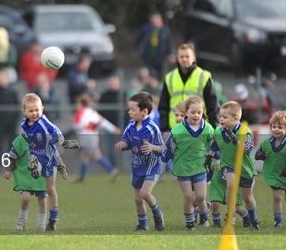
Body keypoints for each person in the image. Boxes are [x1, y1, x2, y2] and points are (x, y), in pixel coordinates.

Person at [21, 93, 80, 231]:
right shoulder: (24, 125)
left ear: (42, 108)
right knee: (33, 159)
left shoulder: (43, 121)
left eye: (37, 110)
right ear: (24, 112)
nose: (34, 113)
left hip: (49, 158)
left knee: (50, 188)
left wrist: (62, 142)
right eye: (30, 110)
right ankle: (34, 167)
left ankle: (53, 218)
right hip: (36, 154)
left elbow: (56, 130)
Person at [114, 92, 165, 231]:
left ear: (144, 111)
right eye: (129, 109)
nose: (129, 112)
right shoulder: (130, 125)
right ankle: (143, 225)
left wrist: (152, 147)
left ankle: (158, 214)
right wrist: (123, 144)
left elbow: (163, 148)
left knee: (145, 193)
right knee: (138, 200)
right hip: (137, 166)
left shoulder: (152, 128)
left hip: (152, 166)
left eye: (132, 109)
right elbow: (128, 142)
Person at [163, 96, 214, 230]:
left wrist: (216, 159)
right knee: (188, 196)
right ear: (186, 112)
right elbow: (169, 148)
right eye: (193, 112)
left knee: (201, 197)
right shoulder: (177, 130)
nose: (196, 115)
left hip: (200, 168)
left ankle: (201, 214)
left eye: (199, 112)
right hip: (182, 169)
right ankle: (190, 224)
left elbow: (213, 146)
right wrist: (163, 160)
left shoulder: (208, 128)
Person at [207, 101, 260, 229]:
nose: (221, 119)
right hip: (228, 166)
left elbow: (247, 150)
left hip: (245, 170)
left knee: (247, 199)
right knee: (231, 184)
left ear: (236, 118)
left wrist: (235, 140)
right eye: (220, 116)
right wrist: (208, 158)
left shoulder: (244, 132)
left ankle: (254, 219)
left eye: (225, 117)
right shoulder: (218, 132)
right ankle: (231, 218)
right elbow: (214, 146)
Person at [255, 111, 286, 227]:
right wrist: (260, 155)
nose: (276, 129)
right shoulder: (267, 143)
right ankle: (278, 221)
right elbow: (258, 153)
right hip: (274, 173)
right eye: (274, 127)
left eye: (279, 127)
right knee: (277, 197)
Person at [159, 43, 218, 133]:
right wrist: (165, 128)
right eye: (181, 56)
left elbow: (212, 106)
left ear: (193, 57)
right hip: (174, 128)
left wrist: (214, 128)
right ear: (177, 58)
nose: (184, 59)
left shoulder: (204, 76)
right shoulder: (169, 77)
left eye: (187, 56)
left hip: (198, 129)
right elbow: (163, 106)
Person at [4, 134, 47, 231]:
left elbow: (50, 154)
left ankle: (41, 225)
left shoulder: (43, 138)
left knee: (42, 200)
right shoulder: (20, 140)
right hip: (24, 175)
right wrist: (7, 170)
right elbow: (12, 156)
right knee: (25, 198)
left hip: (40, 175)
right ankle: (21, 221)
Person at [74, 94, 120, 183]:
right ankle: (81, 178)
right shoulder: (92, 112)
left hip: (86, 136)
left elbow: (77, 125)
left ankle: (112, 170)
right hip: (93, 135)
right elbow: (102, 122)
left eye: (78, 103)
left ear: (81, 103)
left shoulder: (81, 112)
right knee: (84, 156)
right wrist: (113, 129)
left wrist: (84, 126)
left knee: (96, 154)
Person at [0, 69, 19, 155]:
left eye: (3, 78)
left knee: (12, 144)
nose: (1, 80)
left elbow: (17, 106)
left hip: (11, 122)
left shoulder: (13, 91)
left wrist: (15, 121)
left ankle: (11, 163)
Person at [135, 12, 175, 79]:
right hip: (148, 58)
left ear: (160, 20)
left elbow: (170, 44)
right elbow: (138, 40)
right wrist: (139, 49)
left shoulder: (165, 30)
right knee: (149, 76)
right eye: (152, 19)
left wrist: (171, 53)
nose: (153, 21)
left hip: (161, 59)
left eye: (155, 19)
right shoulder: (146, 29)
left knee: (161, 77)